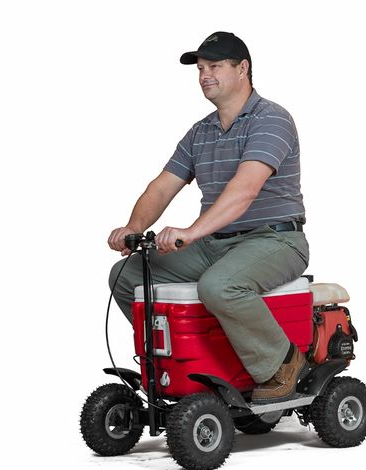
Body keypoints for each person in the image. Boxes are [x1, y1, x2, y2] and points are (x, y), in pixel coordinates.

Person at [107, 32, 309, 404]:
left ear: (242, 68)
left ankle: (283, 363)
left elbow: (244, 189)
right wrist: (134, 228)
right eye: (200, 68)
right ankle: (184, 361)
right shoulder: (201, 132)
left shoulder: (271, 120)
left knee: (219, 287)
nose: (204, 76)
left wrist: (191, 232)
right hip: (216, 243)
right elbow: (163, 187)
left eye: (214, 66)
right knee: (127, 276)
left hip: (274, 240)